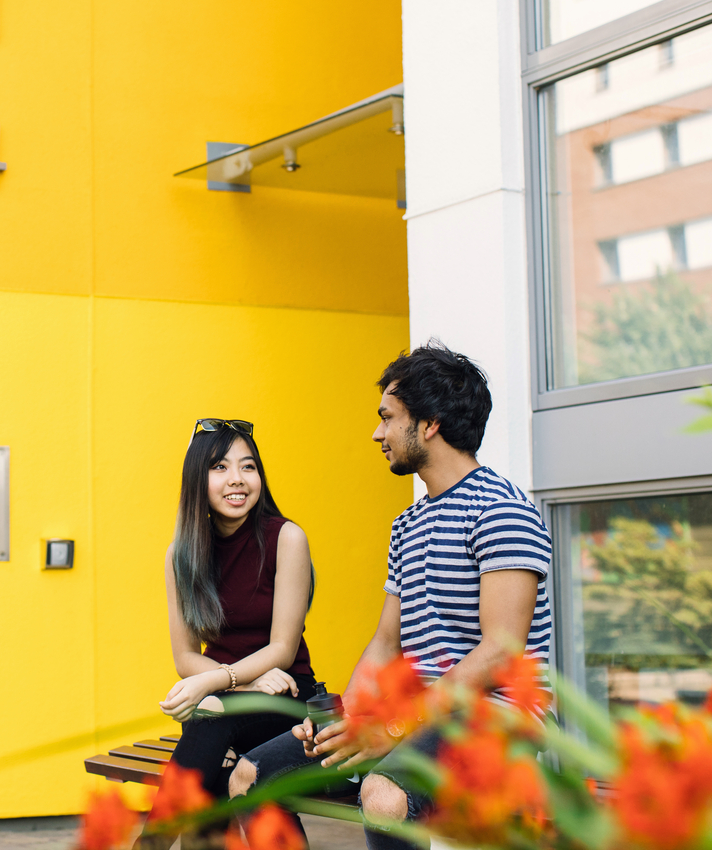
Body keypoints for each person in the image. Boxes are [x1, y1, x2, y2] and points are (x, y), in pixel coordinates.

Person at [228, 343, 553, 850]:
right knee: (249, 777)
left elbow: (501, 650)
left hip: (495, 719)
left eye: (388, 417)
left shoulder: (501, 511)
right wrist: (341, 720)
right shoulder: (408, 523)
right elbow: (385, 643)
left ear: (430, 423)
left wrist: (397, 725)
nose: (377, 433)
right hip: (417, 715)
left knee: (383, 795)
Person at [157, 418, 317, 803]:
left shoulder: (287, 538)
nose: (237, 479)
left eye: (248, 466)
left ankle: (155, 835)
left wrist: (219, 683)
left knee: (210, 716)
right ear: (197, 480)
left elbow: (282, 649)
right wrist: (242, 684)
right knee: (218, 764)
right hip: (226, 698)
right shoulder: (181, 555)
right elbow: (185, 658)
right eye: (220, 467)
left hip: (285, 695)